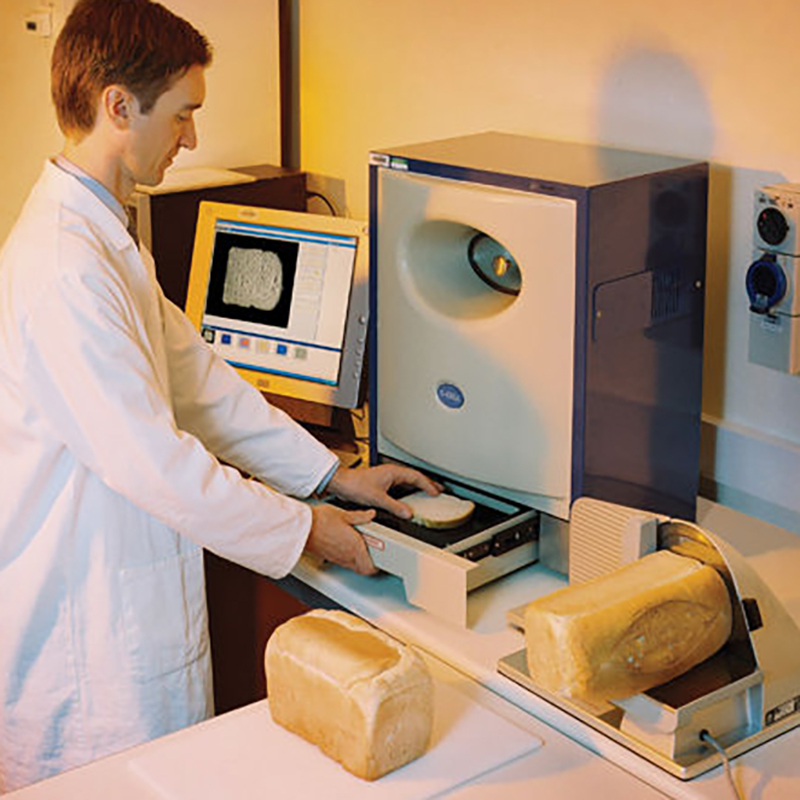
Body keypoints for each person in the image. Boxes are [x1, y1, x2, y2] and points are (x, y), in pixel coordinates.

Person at [0, 0, 438, 790]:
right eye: (183, 113)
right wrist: (309, 529)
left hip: (122, 603)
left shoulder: (104, 232)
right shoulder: (65, 264)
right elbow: (157, 463)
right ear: (117, 105)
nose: (192, 137)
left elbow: (197, 382)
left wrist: (329, 477)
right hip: (86, 638)